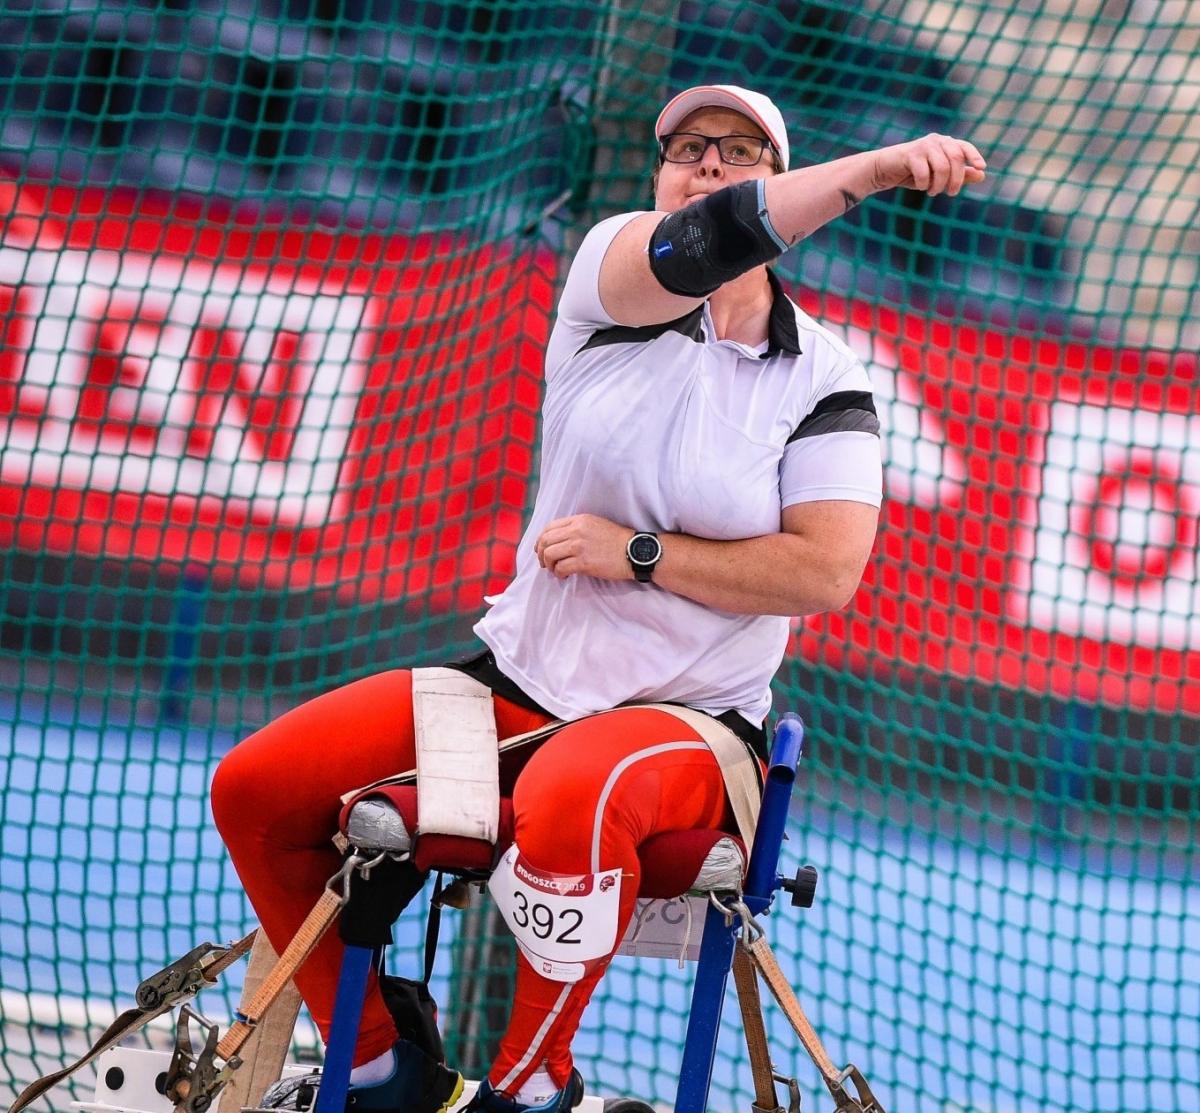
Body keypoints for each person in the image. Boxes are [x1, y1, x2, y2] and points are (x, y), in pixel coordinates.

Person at [211, 84, 985, 1113]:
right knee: (254, 788)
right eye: (689, 150)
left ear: (786, 178)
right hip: (514, 685)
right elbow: (704, 244)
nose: (707, 166)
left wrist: (642, 554)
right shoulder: (612, 274)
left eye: (741, 152)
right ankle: (382, 1068)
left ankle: (534, 1091)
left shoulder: (826, 378)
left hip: (691, 727)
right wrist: (876, 170)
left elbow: (822, 573)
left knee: (576, 790)